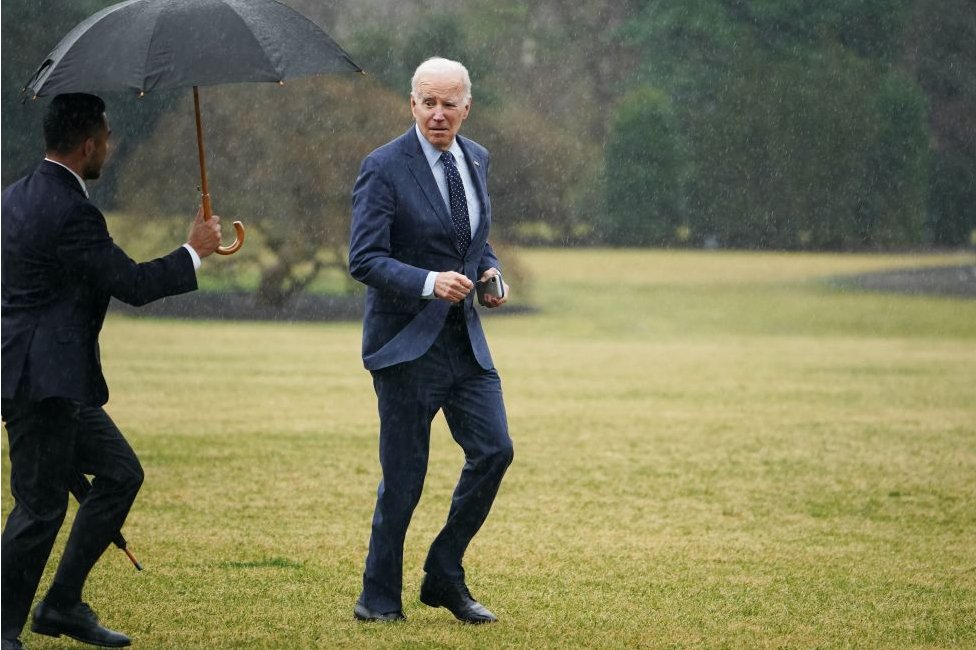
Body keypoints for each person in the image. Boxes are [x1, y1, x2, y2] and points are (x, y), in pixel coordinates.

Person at [1, 93, 223, 650]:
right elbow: (133, 284)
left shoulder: (14, 197)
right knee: (39, 508)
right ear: (88, 145)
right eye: (106, 137)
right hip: (42, 384)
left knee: (120, 473)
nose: (111, 146)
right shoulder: (74, 212)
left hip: (51, 381)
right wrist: (193, 251)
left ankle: (60, 604)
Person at [348, 57, 515, 625]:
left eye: (448, 104)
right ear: (412, 104)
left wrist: (489, 272)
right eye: (428, 103)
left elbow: (473, 240)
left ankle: (443, 572)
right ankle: (377, 601)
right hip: (404, 347)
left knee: (495, 451)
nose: (437, 114)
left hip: (463, 343)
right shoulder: (382, 167)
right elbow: (364, 259)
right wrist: (428, 282)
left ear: (467, 107)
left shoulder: (477, 158)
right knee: (404, 481)